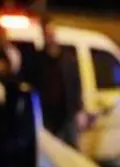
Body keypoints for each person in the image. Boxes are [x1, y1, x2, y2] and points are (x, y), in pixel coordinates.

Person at [29, 19, 85, 148]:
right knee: (50, 151)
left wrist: (78, 109)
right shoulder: (38, 60)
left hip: (67, 115)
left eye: (51, 33)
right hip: (46, 117)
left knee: (71, 151)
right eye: (46, 34)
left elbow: (76, 85)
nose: (49, 37)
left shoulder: (67, 59)